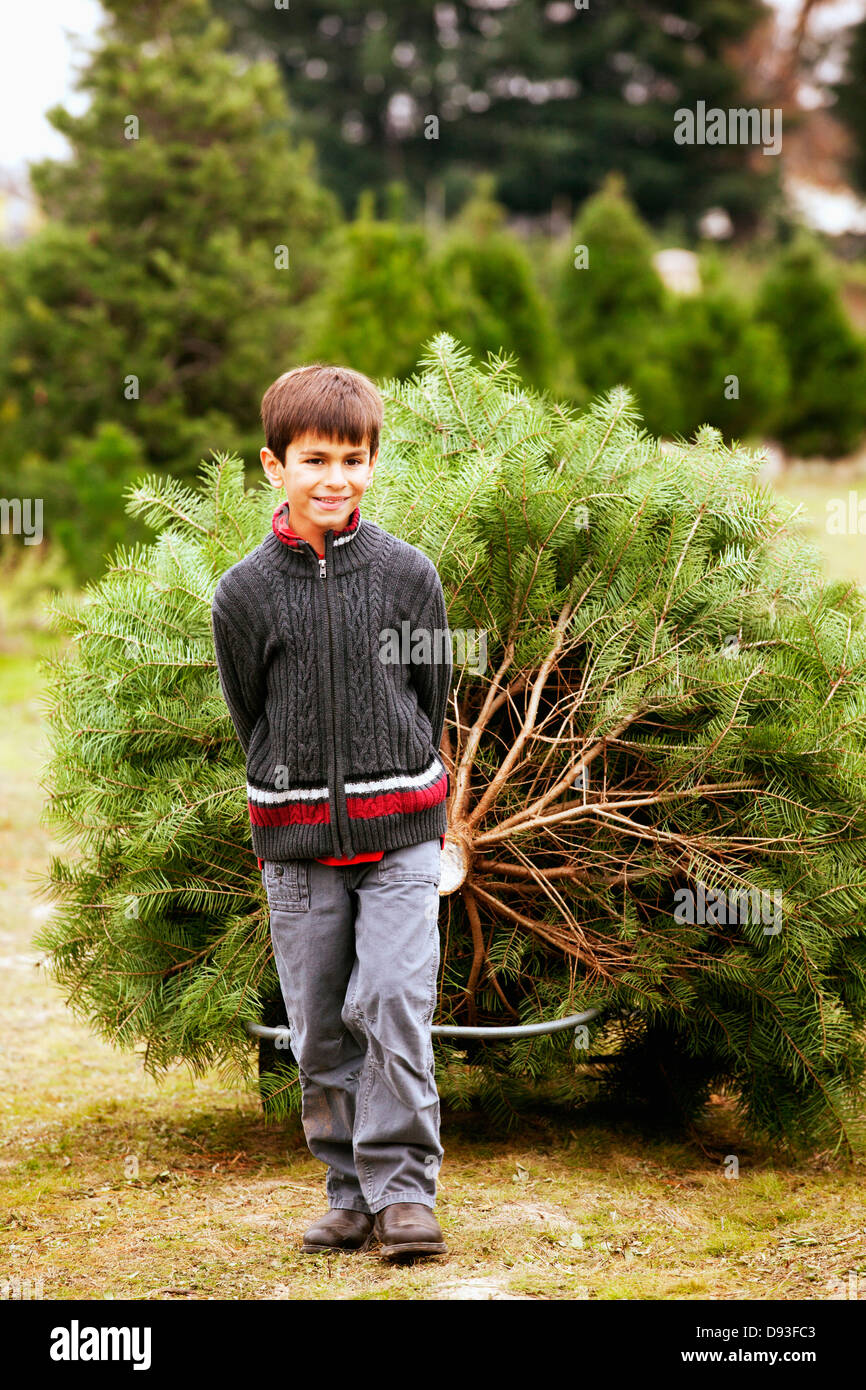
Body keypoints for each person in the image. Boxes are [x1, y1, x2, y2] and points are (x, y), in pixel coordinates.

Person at [211, 363, 453, 1261]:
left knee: (390, 1001)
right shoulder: (243, 593)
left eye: (355, 458)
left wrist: (400, 785)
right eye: (316, 458)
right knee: (318, 1024)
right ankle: (347, 1192)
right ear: (274, 466)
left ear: (374, 463)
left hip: (402, 834)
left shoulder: (408, 575)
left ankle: (403, 1196)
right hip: (298, 842)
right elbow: (251, 713)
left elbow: (430, 699)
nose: (336, 477)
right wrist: (296, 786)